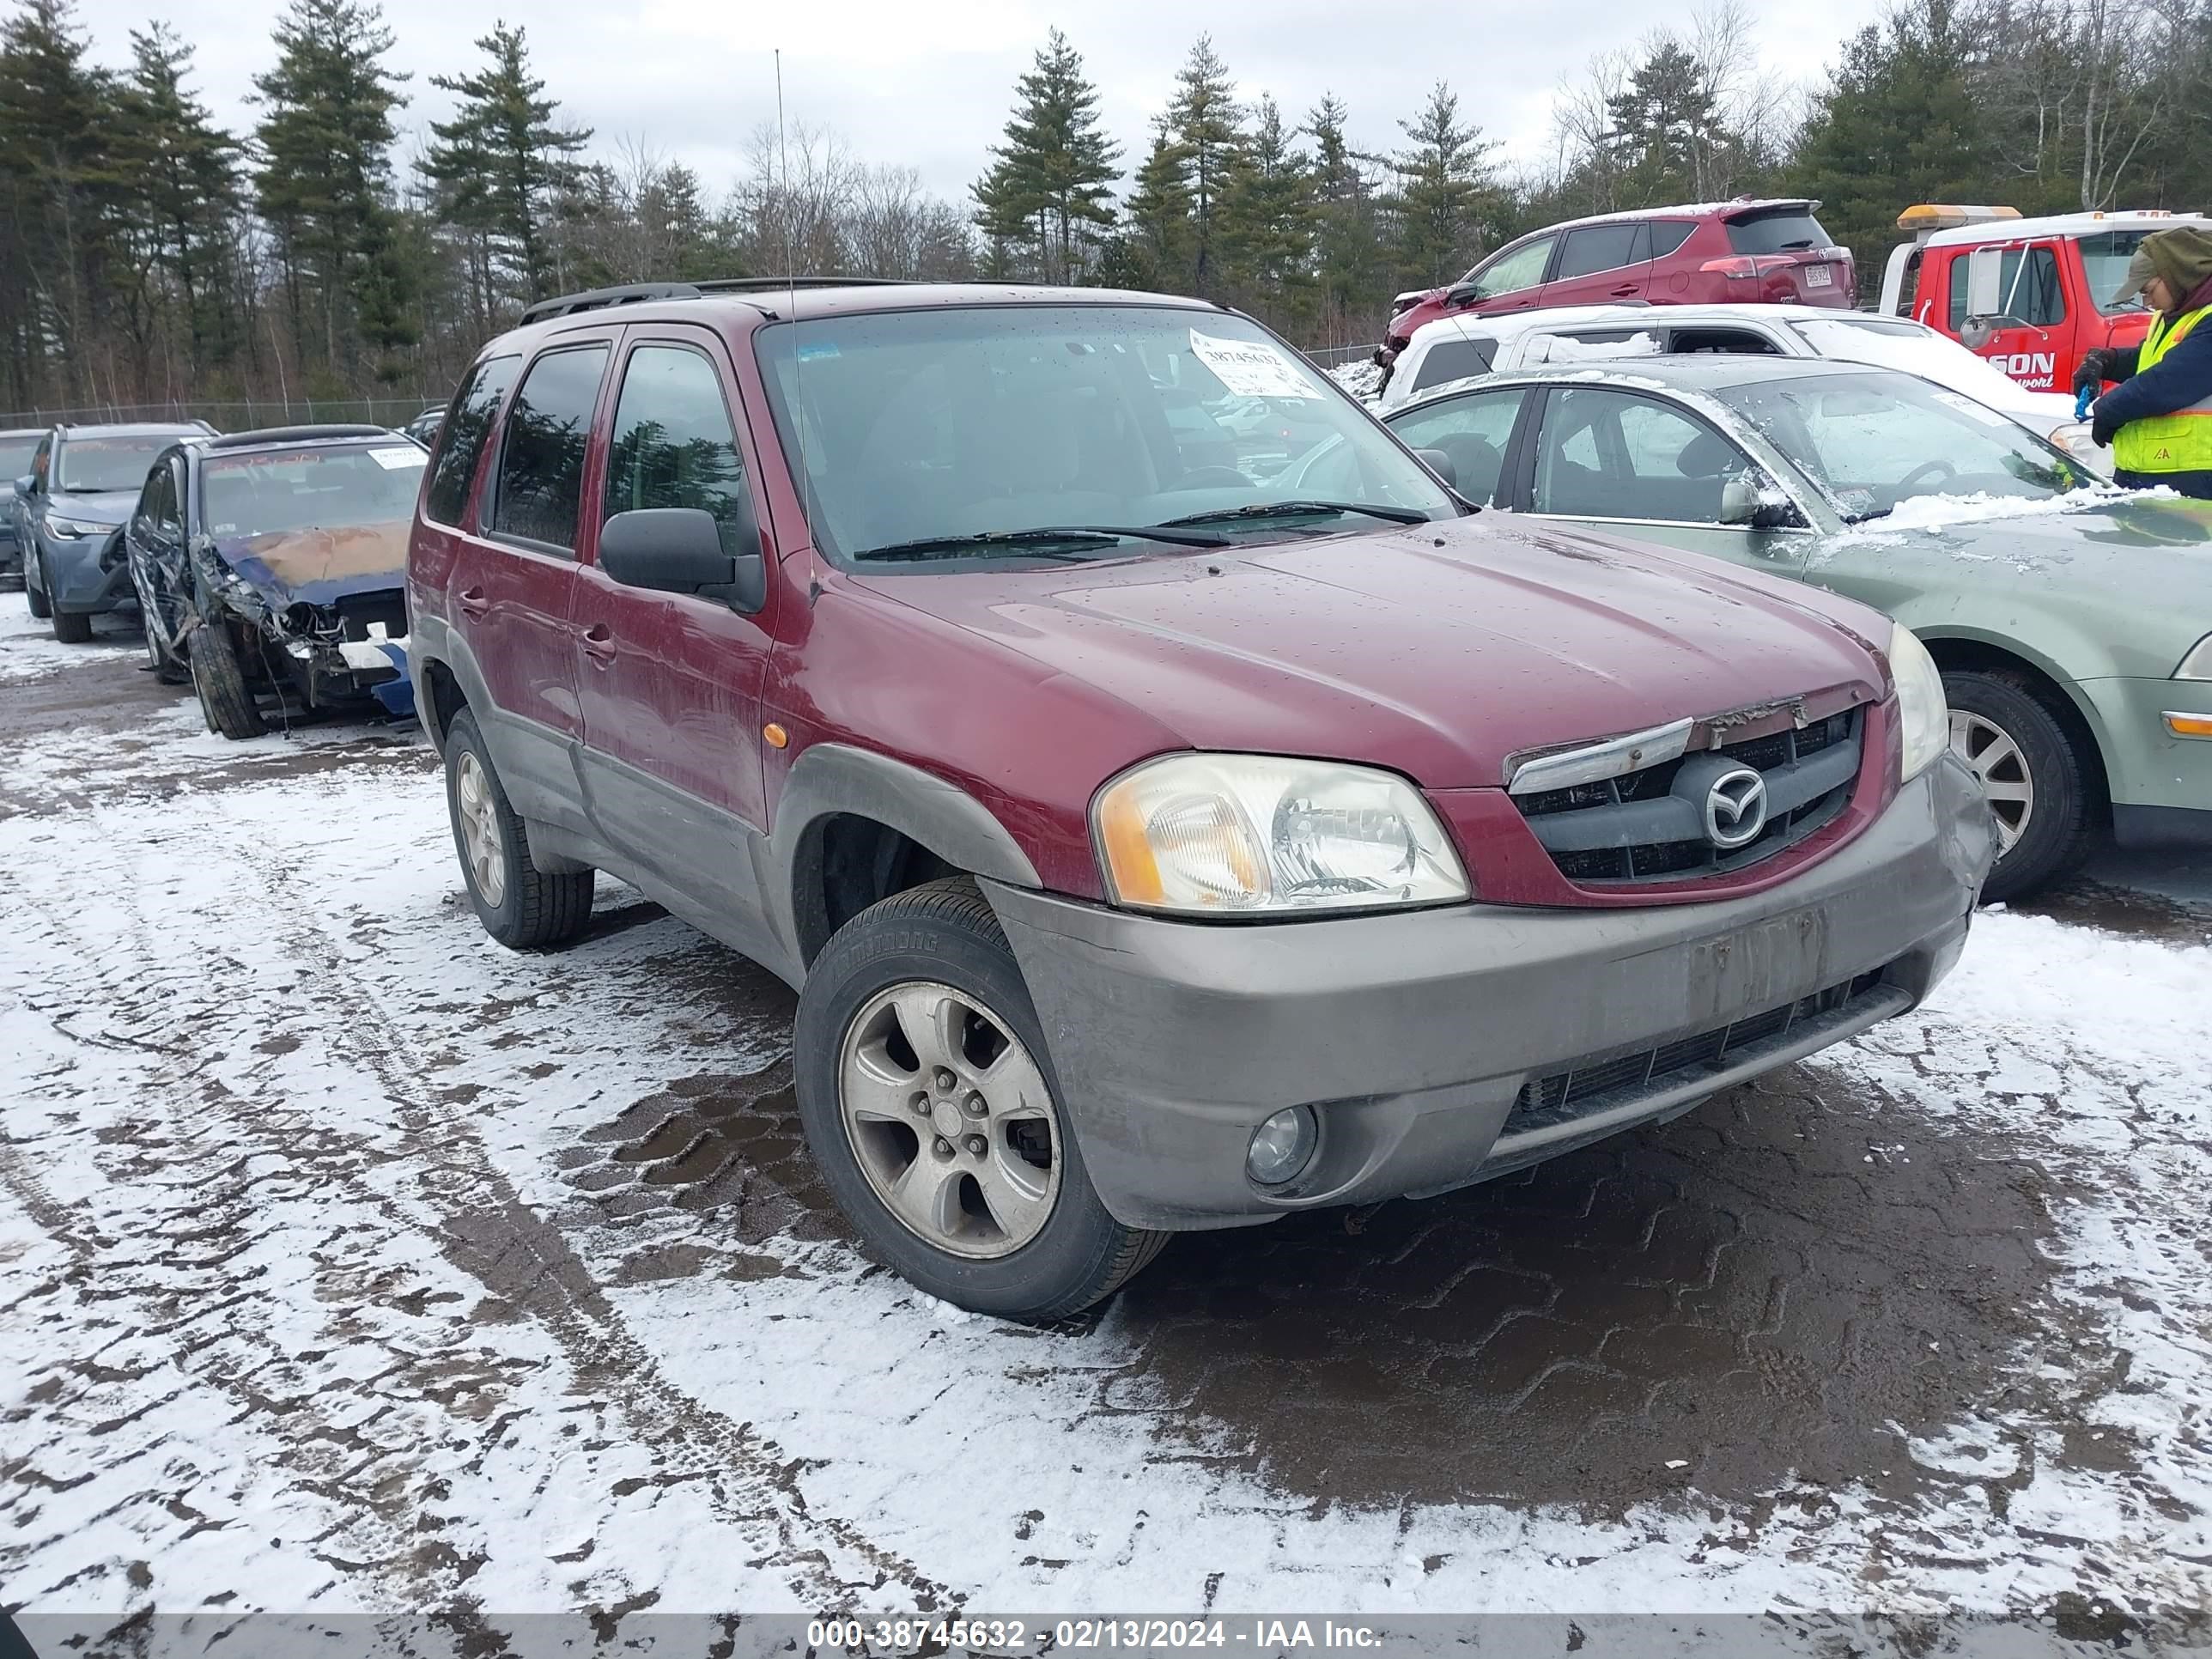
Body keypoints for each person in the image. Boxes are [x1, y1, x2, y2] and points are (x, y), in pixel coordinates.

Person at [2074, 224, 2212, 499]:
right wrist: (2106, 360)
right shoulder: (2175, 316)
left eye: (2148, 289)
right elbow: (2151, 359)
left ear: (2177, 276)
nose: (2146, 301)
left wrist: (2108, 410)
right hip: (2157, 476)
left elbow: (2170, 381)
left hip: (2195, 480)